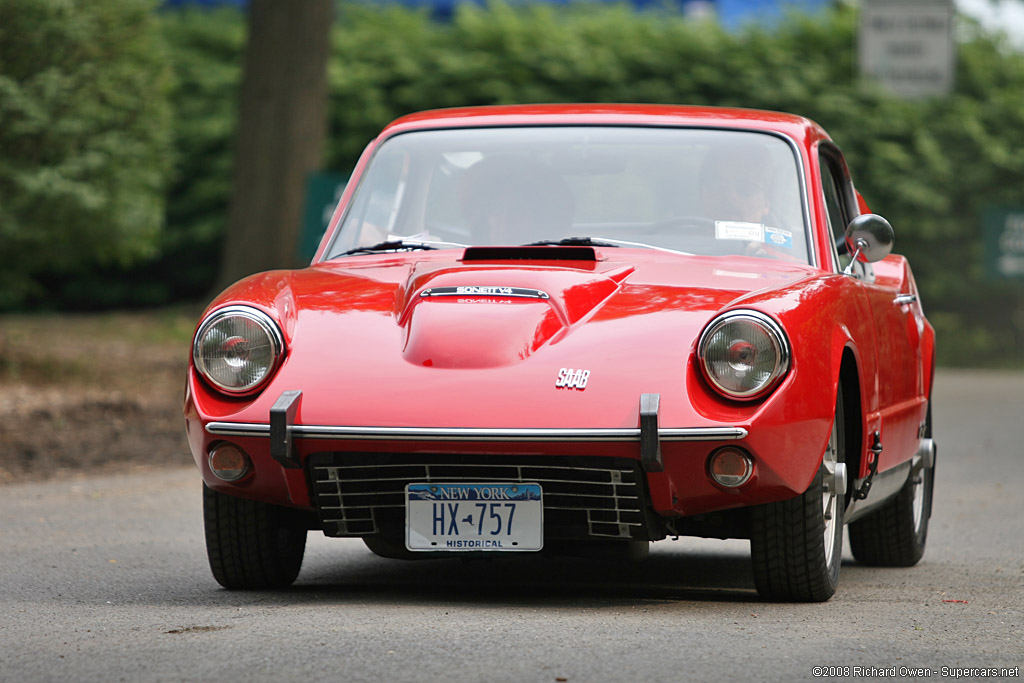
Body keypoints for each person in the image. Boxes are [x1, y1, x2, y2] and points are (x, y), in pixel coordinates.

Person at [459, 155, 575, 245]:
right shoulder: (458, 261)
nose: (505, 220)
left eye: (517, 211)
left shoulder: (556, 268)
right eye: (495, 210)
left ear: (537, 218)